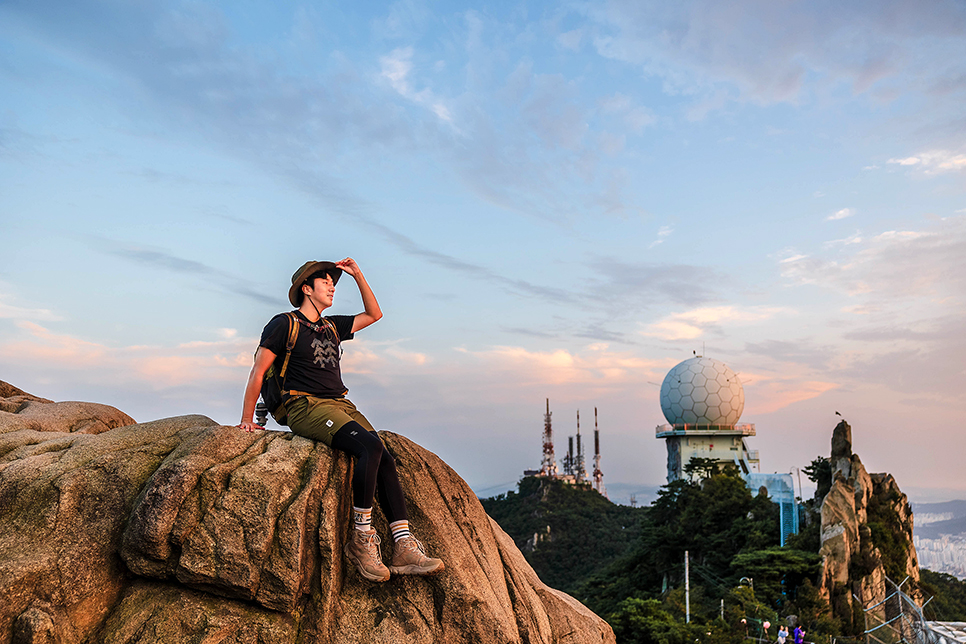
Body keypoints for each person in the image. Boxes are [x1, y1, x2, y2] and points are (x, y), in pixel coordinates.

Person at [239, 258, 444, 582]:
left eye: (334, 282)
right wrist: (247, 419)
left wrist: (358, 274)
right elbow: (258, 369)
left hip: (340, 404)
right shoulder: (284, 324)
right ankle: (361, 541)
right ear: (307, 289)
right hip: (305, 405)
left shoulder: (331, 326)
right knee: (370, 449)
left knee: (384, 457)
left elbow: (374, 315)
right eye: (325, 281)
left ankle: (403, 546)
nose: (332, 286)